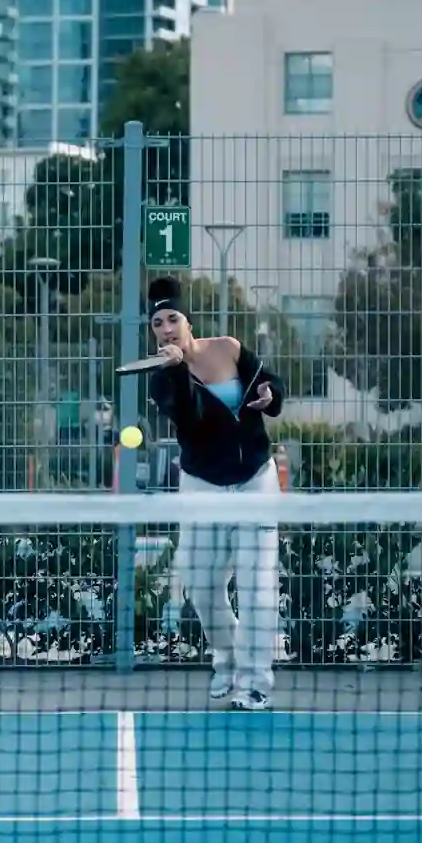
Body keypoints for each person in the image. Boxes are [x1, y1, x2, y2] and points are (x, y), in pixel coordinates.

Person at [143, 275, 286, 711]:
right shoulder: (161, 380)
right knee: (202, 587)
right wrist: (176, 369)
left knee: (259, 585)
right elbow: (192, 420)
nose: (166, 329)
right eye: (157, 324)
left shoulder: (228, 348)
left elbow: (272, 385)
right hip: (202, 485)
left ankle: (256, 681)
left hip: (255, 480)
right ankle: (225, 657)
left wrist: (269, 394)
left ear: (187, 320)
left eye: (172, 319)